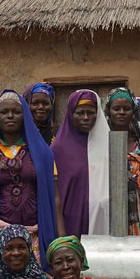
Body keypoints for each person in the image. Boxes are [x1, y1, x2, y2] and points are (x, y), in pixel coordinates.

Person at [0, 88, 58, 260]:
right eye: (4, 112)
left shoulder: (42, 153)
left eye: (16, 112)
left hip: (34, 235)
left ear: (25, 115)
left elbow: (55, 198)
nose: (10, 116)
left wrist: (60, 240)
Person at [104, 88, 140, 235]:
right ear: (108, 112)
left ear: (133, 112)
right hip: (106, 215)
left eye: (127, 108)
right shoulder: (100, 143)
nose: (121, 112)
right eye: (116, 108)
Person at [51, 89, 109, 236]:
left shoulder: (108, 145)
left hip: (103, 220)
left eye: (91, 112)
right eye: (80, 113)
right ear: (71, 115)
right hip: (69, 222)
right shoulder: (58, 149)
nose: (86, 117)